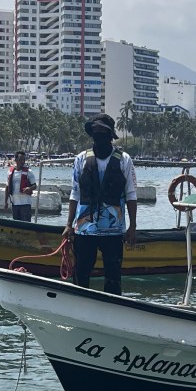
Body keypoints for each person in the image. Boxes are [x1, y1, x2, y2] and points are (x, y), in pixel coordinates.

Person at [62, 114, 137, 296]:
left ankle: (113, 308)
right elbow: (75, 193)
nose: (98, 134)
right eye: (95, 131)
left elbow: (131, 194)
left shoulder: (124, 160)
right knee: (81, 273)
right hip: (84, 229)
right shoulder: (81, 159)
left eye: (103, 131)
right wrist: (68, 224)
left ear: (110, 134)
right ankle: (79, 305)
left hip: (114, 229)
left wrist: (133, 226)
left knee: (113, 275)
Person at [4, 149, 37, 221]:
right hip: (15, 203)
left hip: (25, 203)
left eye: (24, 160)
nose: (22, 162)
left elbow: (34, 185)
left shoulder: (29, 172)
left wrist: (29, 188)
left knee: (26, 224)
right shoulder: (10, 172)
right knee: (16, 223)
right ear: (16, 160)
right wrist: (6, 202)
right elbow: (7, 187)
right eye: (20, 159)